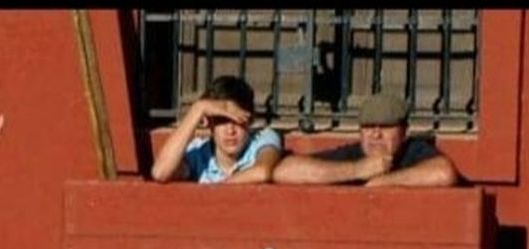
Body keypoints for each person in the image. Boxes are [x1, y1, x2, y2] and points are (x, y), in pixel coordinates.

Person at [272, 91, 461, 187]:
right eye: (369, 127)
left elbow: (444, 173)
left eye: (386, 127)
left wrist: (384, 182)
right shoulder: (353, 154)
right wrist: (357, 170)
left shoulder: (413, 151)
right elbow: (285, 171)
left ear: (404, 132)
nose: (376, 135)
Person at [150, 74, 283, 185]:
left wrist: (215, 190)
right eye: (221, 121)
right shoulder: (200, 152)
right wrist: (198, 109)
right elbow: (160, 172)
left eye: (238, 121)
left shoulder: (262, 137)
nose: (230, 131)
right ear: (209, 123)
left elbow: (262, 172)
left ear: (250, 120)